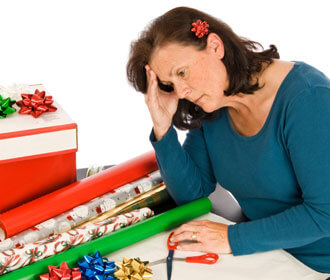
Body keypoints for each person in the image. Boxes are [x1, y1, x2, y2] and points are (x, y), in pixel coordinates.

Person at [126, 6, 330, 273]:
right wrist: (163, 129)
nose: (182, 92)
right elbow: (193, 193)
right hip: (264, 255)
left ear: (215, 46)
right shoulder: (213, 106)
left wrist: (231, 238)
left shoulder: (307, 98)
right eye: (170, 85)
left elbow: (325, 214)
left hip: (318, 265)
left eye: (182, 73)